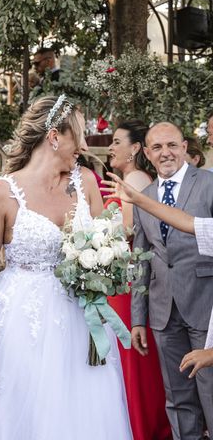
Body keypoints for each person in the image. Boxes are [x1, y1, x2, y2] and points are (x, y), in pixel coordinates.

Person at [0, 95, 132, 439]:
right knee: (26, 411)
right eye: (79, 136)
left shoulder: (86, 183)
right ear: (54, 137)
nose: (84, 146)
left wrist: (108, 265)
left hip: (81, 316)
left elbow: (106, 242)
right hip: (22, 321)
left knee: (84, 409)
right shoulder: (2, 194)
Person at [130, 122, 213, 440]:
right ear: (147, 153)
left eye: (172, 145)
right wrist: (138, 317)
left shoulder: (207, 183)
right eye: (158, 147)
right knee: (177, 399)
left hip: (205, 304)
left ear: (184, 146)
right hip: (163, 311)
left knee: (210, 393)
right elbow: (141, 258)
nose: (166, 152)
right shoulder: (143, 197)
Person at [103, 120, 171, 440]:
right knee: (124, 359)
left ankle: (145, 428)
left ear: (134, 149)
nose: (111, 147)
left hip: (129, 281)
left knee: (132, 360)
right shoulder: (127, 180)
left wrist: (97, 238)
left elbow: (133, 233)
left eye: (117, 142)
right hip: (118, 278)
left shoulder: (135, 179)